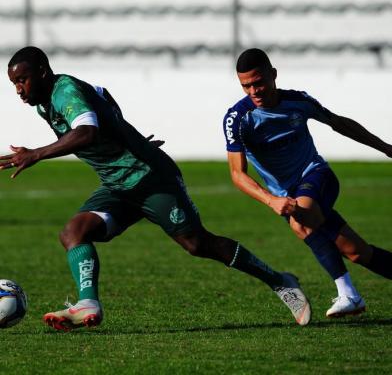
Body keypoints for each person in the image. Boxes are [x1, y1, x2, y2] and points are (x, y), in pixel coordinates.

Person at [1, 46, 312, 331]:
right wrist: (130, 139)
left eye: (23, 80)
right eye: (14, 83)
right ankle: (88, 303)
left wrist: (36, 153)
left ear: (42, 71)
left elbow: (86, 132)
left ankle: (280, 281)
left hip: (150, 178)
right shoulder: (47, 103)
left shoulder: (64, 91)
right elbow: (103, 97)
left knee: (198, 244)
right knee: (73, 232)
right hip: (119, 184)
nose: (19, 89)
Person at [223, 47, 392, 318]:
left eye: (258, 82)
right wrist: (271, 199)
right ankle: (350, 294)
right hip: (284, 197)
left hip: (316, 177)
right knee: (358, 252)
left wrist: (385, 147)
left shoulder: (298, 102)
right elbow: (237, 173)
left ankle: (349, 295)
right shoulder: (237, 119)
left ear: (273, 75)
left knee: (299, 219)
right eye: (246, 86)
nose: (254, 91)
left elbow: (339, 123)